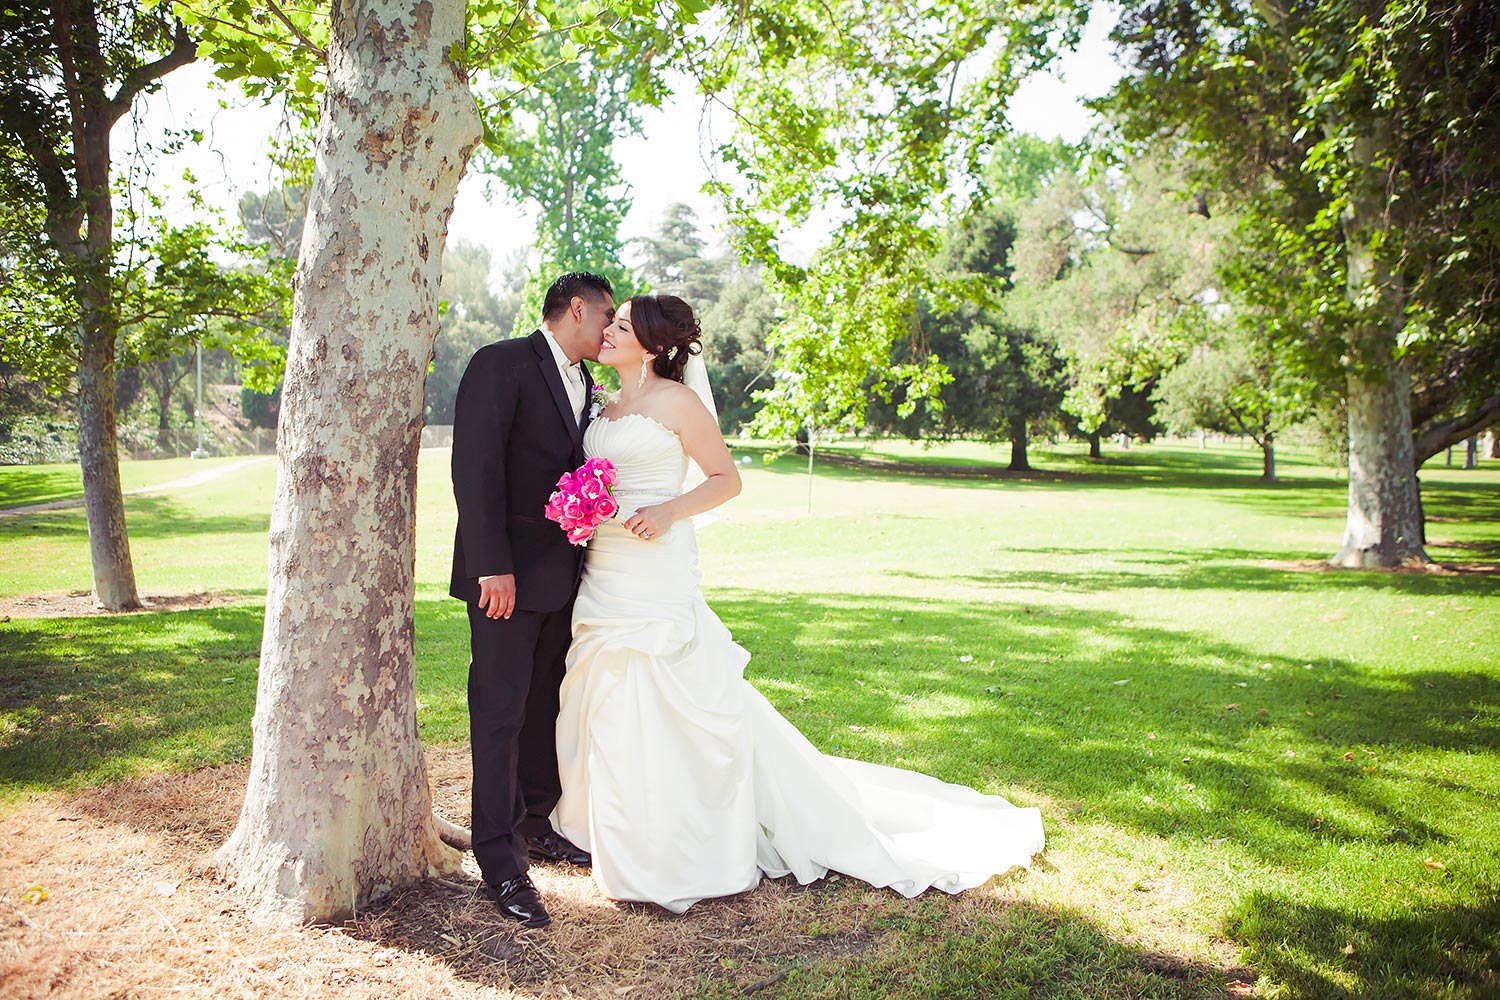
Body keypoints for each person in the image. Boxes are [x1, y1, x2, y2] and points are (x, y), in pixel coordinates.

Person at [550, 294, 1045, 914]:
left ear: (651, 344)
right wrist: (584, 503)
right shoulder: (601, 403)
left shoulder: (677, 402)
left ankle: (683, 845)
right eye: (613, 322)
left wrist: (668, 511)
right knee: (611, 701)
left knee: (662, 689)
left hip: (655, 568)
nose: (610, 331)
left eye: (623, 325)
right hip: (606, 567)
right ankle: (626, 834)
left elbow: (727, 479)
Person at [449, 271, 615, 928]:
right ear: (576, 309)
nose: (611, 329)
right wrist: (491, 564)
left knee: (546, 706)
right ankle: (498, 859)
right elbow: (476, 466)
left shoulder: (587, 384)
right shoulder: (502, 363)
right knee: (498, 716)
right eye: (607, 316)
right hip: (505, 580)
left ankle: (537, 823)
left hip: (564, 579)